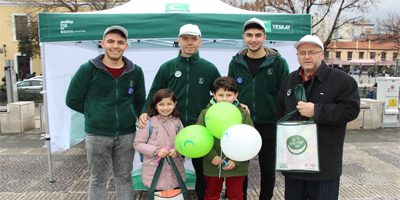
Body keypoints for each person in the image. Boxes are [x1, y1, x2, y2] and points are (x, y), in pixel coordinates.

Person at [138, 24, 221, 200]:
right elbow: (154, 92)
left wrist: (236, 105)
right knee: (168, 171)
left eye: (193, 39)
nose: (189, 42)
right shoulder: (167, 67)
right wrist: (145, 111)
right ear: (179, 41)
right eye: (185, 38)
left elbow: (221, 94)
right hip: (172, 130)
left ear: (200, 41)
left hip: (201, 129)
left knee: (203, 173)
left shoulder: (209, 68)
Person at [65, 25, 146, 200]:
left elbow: (140, 101)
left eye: (120, 42)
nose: (115, 46)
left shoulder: (135, 71)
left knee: (124, 178)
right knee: (98, 179)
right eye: (110, 41)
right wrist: (96, 113)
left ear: (126, 45)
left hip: (126, 134)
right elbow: (72, 99)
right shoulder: (88, 69)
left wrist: (139, 115)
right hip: (97, 134)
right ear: (102, 44)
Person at [275, 35, 360, 200]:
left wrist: (317, 111)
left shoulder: (342, 80)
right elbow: (280, 114)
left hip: (324, 165)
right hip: (295, 162)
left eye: (312, 52)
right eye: (302, 52)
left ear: (322, 54)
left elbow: (351, 109)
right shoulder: (289, 80)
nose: (307, 56)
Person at [227, 17, 290, 200]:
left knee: (268, 168)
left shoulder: (278, 63)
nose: (253, 39)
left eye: (258, 35)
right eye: (249, 35)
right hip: (243, 124)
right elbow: (231, 93)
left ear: (265, 37)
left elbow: (284, 94)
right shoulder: (236, 62)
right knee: (241, 168)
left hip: (269, 123)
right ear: (243, 37)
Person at [196, 76, 254, 200]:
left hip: (238, 164)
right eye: (221, 95)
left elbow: (250, 140)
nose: (225, 99)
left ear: (236, 95)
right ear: (214, 95)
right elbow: (200, 138)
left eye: (229, 95)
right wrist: (211, 156)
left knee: (236, 195)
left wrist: (237, 161)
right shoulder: (205, 113)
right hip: (212, 163)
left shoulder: (243, 114)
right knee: (211, 194)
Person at [133, 89, 185, 190]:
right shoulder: (148, 123)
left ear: (175, 104)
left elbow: (183, 143)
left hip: (175, 173)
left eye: (169, 104)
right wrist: (156, 151)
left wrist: (177, 152)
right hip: (154, 174)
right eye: (161, 104)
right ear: (155, 105)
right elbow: (137, 144)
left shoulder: (178, 122)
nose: (165, 108)